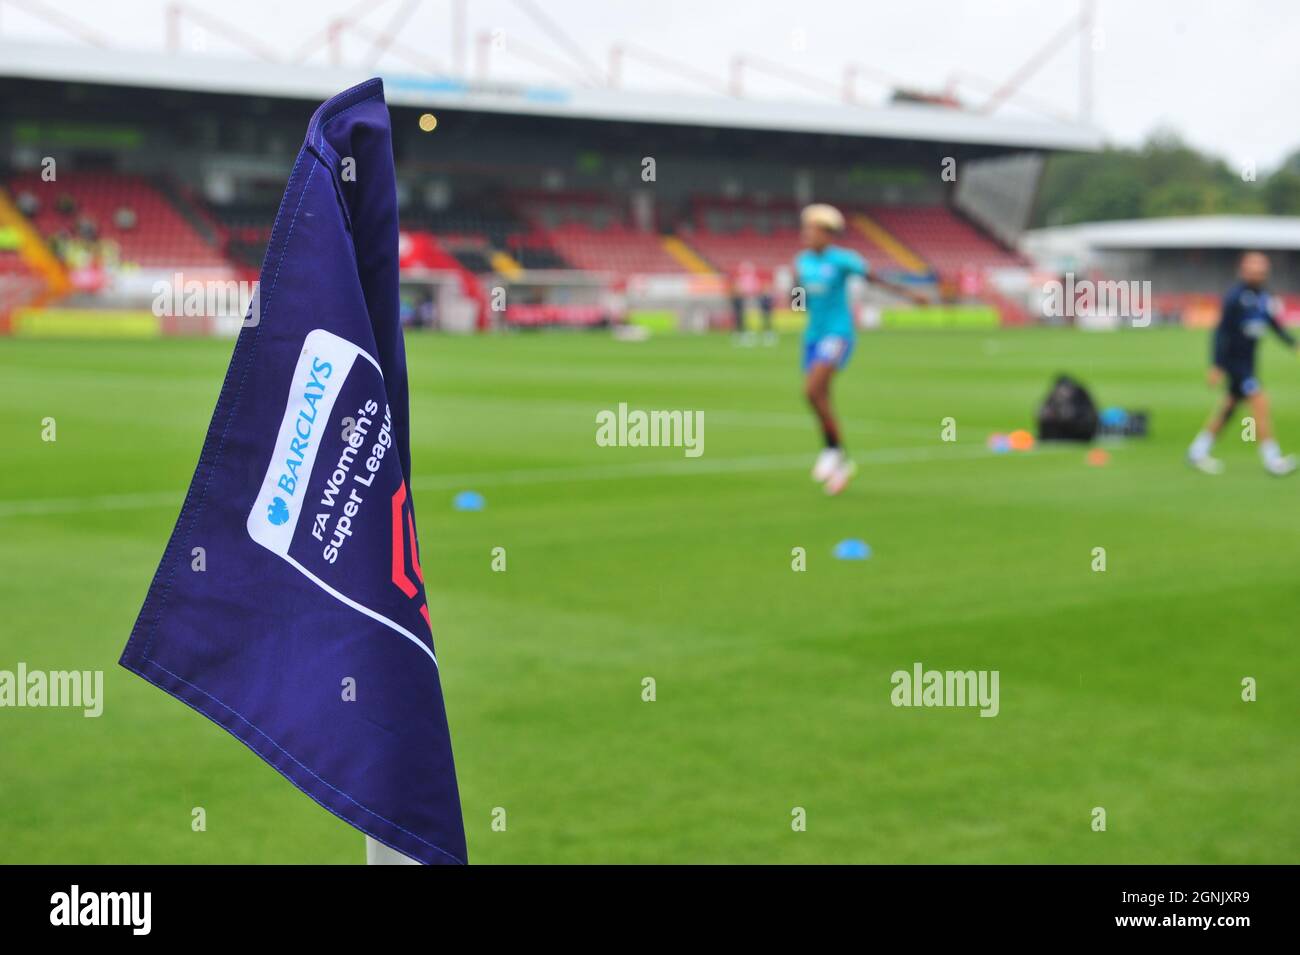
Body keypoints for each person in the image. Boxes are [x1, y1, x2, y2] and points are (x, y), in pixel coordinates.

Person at [796, 203, 926, 494]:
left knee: (812, 390)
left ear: (827, 234)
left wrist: (909, 295)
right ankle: (839, 459)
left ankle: (832, 453)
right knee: (820, 400)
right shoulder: (802, 261)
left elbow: (875, 279)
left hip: (838, 334)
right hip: (813, 337)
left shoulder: (843, 260)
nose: (806, 234)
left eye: (812, 229)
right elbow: (799, 295)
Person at [1188, 251, 1297, 476]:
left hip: (1249, 363)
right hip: (1235, 363)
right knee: (1260, 403)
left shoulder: (1264, 297)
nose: (1258, 272)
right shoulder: (1235, 297)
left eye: (1261, 268)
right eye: (1253, 268)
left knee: (1228, 409)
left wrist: (1293, 344)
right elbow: (1220, 332)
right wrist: (1216, 365)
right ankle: (1272, 459)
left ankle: (1197, 451)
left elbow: (1273, 325)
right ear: (1244, 270)